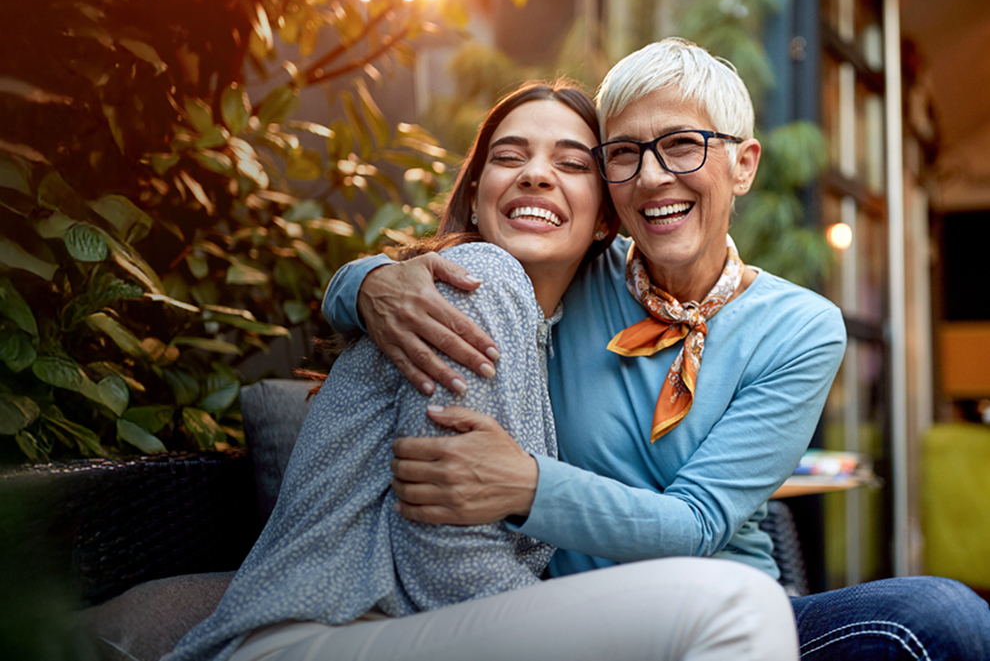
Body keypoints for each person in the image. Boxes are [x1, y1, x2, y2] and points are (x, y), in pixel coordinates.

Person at [324, 38, 990, 660]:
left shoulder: (801, 326)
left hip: (735, 613)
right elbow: (455, 263)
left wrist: (525, 483)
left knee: (941, 614)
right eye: (624, 153)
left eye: (682, 145)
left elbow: (699, 521)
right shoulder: (572, 270)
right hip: (576, 619)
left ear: (744, 165)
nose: (652, 177)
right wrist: (366, 283)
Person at [167, 80, 800, 661]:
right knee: (739, 607)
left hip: (399, 629)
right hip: (321, 635)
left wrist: (357, 281)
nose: (536, 176)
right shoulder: (481, 281)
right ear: (475, 191)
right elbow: (447, 564)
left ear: (607, 218)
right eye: (508, 156)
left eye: (573, 164)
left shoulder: (548, 323)